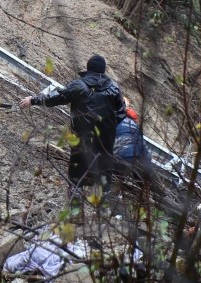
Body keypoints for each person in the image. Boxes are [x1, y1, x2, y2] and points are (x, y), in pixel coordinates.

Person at [19, 55, 125, 192]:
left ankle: (76, 195)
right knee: (104, 169)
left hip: (82, 135)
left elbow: (56, 98)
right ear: (103, 70)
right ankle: (103, 202)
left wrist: (34, 100)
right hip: (105, 138)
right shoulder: (114, 88)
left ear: (88, 68)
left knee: (77, 167)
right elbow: (122, 113)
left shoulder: (78, 85)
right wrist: (108, 127)